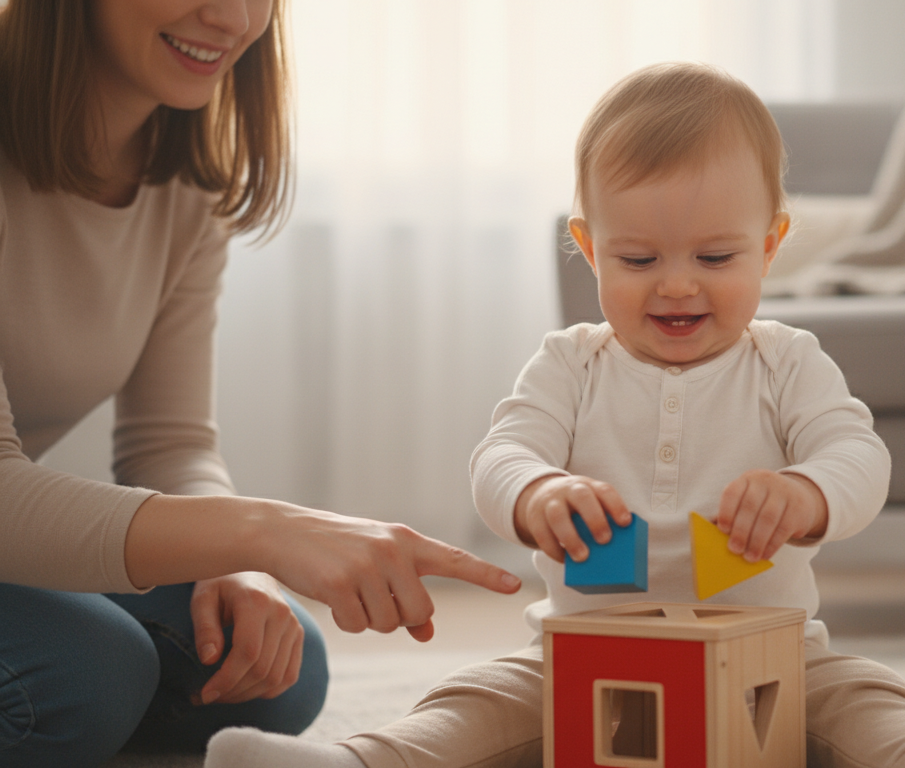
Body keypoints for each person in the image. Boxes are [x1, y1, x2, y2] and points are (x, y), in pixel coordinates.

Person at [203, 62, 905, 768]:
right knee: (473, 705)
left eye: (717, 255)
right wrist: (537, 491)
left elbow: (858, 454)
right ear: (588, 249)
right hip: (581, 656)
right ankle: (358, 762)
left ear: (769, 247)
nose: (679, 282)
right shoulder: (569, 363)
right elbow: (502, 453)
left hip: (770, 653)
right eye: (640, 257)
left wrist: (805, 494)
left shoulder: (786, 360)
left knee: (862, 698)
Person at [0, 1, 521, 766]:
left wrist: (237, 565)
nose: (234, 15)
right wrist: (267, 532)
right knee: (89, 671)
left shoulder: (180, 180)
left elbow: (168, 443)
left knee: (277, 666)